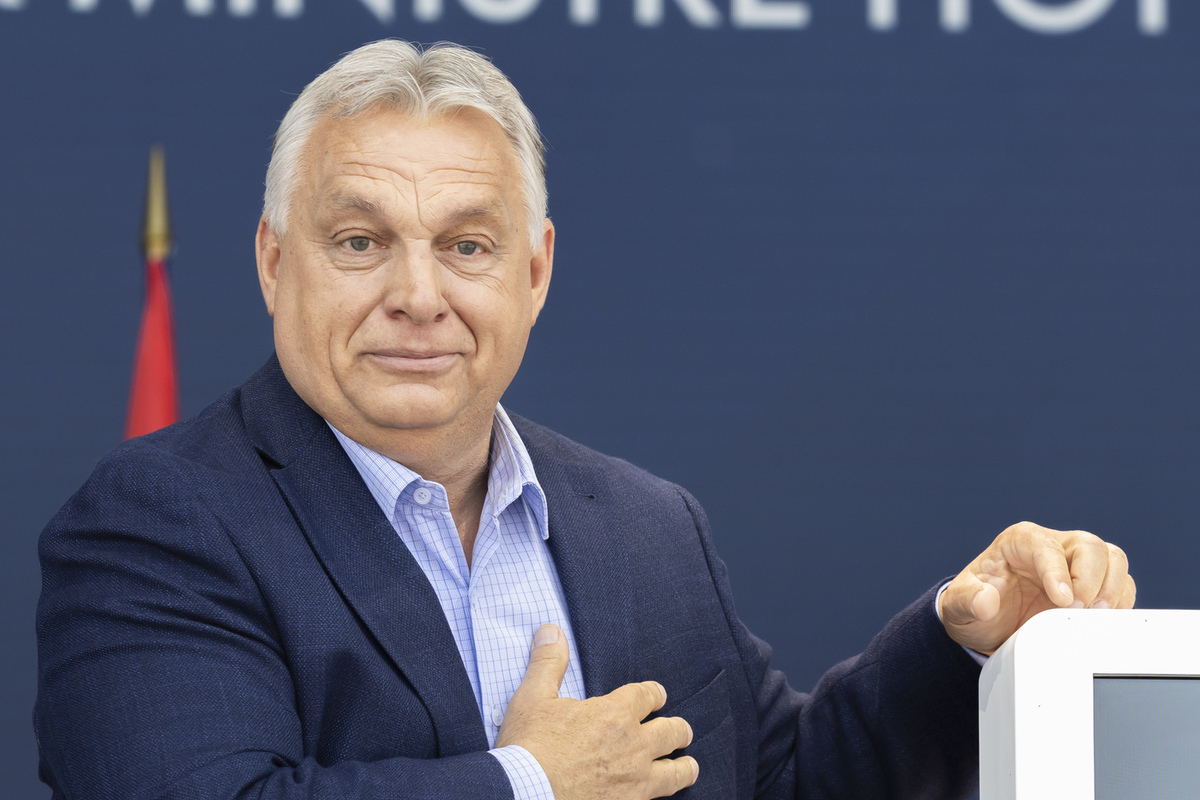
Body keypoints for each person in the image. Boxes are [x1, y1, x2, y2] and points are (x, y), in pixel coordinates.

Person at [35, 39, 1135, 800]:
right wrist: (529, 783)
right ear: (276, 264)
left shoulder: (647, 528)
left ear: (535, 272)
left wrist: (962, 638)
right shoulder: (159, 522)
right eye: (361, 241)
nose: (418, 294)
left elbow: (782, 782)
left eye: (466, 246)